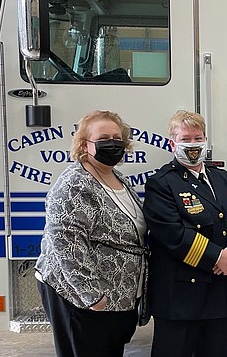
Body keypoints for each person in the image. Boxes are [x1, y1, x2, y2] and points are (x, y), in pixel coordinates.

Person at [36, 110, 147, 357]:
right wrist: (92, 295)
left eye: (118, 138)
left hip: (117, 300)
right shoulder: (74, 183)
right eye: (104, 137)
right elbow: (65, 242)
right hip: (83, 301)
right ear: (84, 145)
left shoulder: (117, 178)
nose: (113, 143)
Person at [143, 111, 227, 357]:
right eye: (185, 139)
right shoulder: (161, 183)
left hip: (219, 293)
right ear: (173, 143)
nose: (193, 145)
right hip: (181, 300)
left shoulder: (222, 178)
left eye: (197, 138)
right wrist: (217, 258)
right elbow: (172, 234)